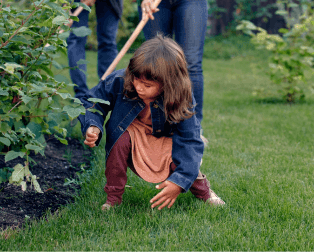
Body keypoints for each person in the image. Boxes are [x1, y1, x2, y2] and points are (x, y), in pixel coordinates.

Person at [79, 35, 225, 210]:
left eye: (147, 85)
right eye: (136, 80)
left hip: (164, 137)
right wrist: (93, 125)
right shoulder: (120, 80)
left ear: (167, 84)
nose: (139, 87)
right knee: (119, 141)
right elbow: (93, 101)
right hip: (133, 130)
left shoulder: (181, 96)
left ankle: (204, 192)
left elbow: (190, 141)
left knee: (181, 157)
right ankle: (113, 198)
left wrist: (178, 182)